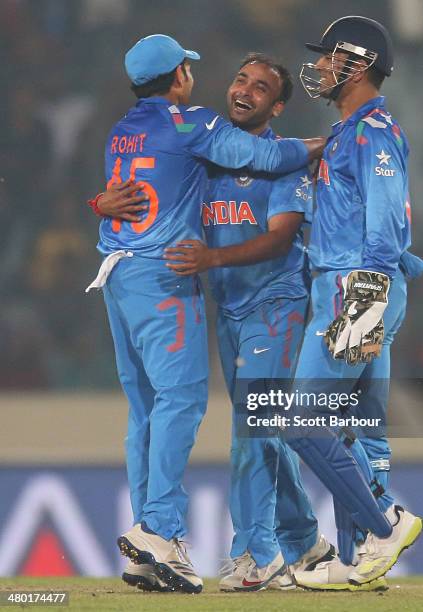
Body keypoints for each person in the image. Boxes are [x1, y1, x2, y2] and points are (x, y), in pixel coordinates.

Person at [85, 34, 325, 595]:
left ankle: (161, 540)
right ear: (179, 77)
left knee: (152, 409)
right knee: (184, 402)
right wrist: (331, 138)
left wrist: (96, 203)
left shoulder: (123, 130)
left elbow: (130, 191)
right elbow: (269, 155)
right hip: (166, 279)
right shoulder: (194, 125)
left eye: (258, 86)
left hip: (121, 276)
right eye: (238, 79)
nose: (239, 89)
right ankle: (162, 532)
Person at [285, 16, 423, 589]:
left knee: (300, 421)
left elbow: (387, 220)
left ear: (358, 64)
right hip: (351, 286)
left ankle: (385, 523)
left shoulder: (373, 131)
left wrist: (364, 296)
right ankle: (354, 555)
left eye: (328, 57)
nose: (319, 66)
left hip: (359, 286)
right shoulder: (352, 131)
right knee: (351, 426)